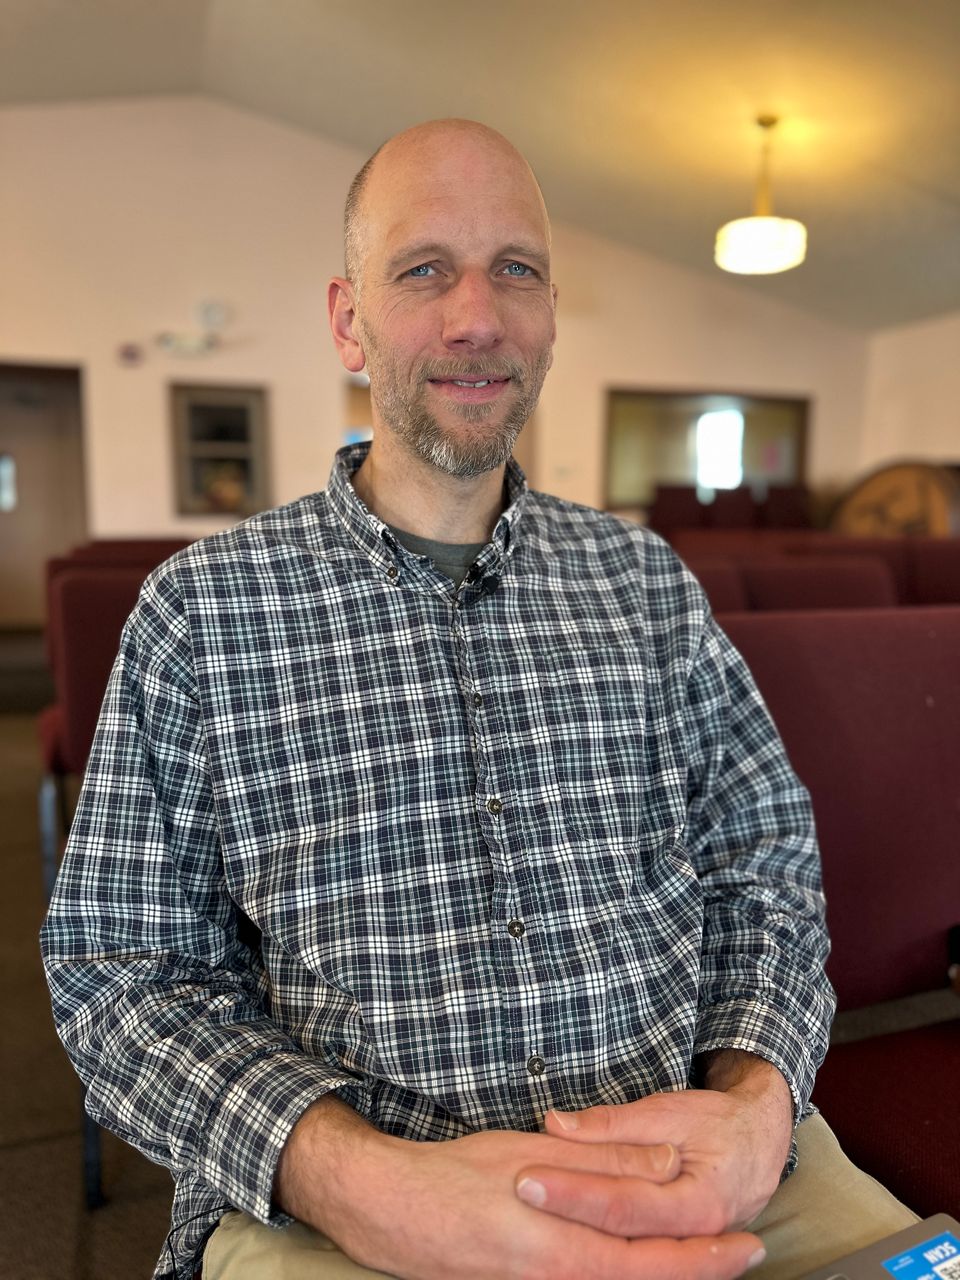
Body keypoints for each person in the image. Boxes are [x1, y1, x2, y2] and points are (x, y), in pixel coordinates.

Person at [41, 119, 915, 1280]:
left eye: (517, 268)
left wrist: (758, 1096)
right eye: (423, 270)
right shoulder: (200, 616)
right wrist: (355, 1178)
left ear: (551, 314)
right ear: (349, 320)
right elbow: (120, 971)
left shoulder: (646, 581)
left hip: (698, 1155)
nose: (477, 317)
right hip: (357, 1204)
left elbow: (763, 857)